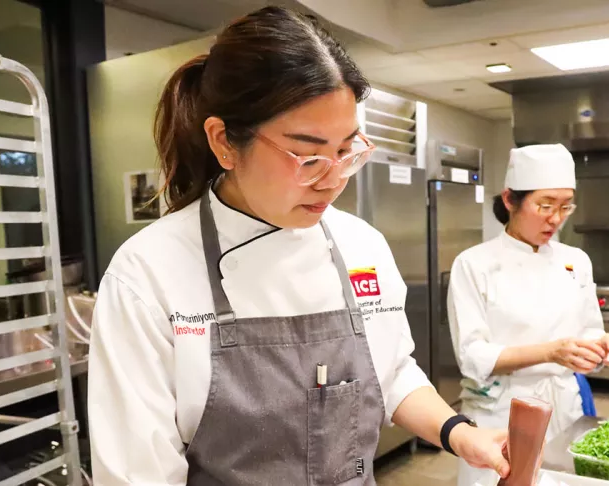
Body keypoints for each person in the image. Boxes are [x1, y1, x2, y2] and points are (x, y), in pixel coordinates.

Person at [87, 7, 509, 484]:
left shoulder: (360, 244)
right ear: (224, 141)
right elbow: (135, 474)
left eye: (346, 150)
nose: (332, 182)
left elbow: (390, 371)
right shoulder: (148, 273)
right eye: (308, 156)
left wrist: (458, 432)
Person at [447, 144, 609, 486]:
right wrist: (550, 352)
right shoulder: (474, 264)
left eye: (565, 207)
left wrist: (603, 347)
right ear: (509, 199)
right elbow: (472, 357)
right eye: (545, 205)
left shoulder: (576, 260)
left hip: (565, 411)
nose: (556, 218)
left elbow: (589, 332)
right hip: (500, 415)